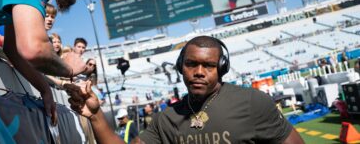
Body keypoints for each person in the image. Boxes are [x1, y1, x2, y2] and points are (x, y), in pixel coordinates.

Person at [65, 36, 304, 144]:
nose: (199, 71)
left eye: (209, 65)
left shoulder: (253, 102)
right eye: (191, 64)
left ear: (222, 68)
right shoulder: (166, 119)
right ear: (181, 67)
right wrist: (95, 115)